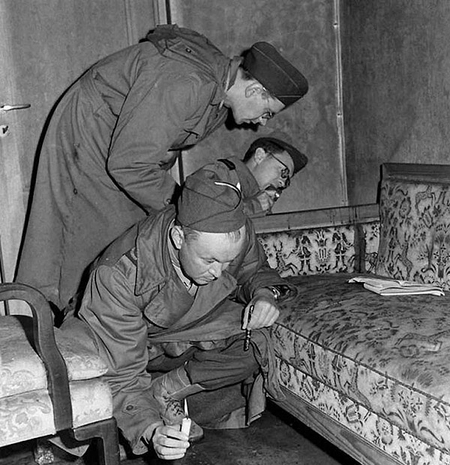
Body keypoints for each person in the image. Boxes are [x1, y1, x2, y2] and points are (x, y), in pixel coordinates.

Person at [16, 23, 308, 315]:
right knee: (85, 242)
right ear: (254, 90)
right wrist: (187, 206)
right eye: (267, 112)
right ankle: (68, 323)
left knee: (126, 236)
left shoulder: (220, 96)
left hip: (118, 146)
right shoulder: (187, 82)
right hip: (92, 137)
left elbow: (162, 142)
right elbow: (130, 164)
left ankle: (93, 318)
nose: (263, 122)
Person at [61, 162, 295, 460]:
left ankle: (164, 392)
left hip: (182, 331)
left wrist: (264, 294)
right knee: (92, 386)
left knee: (256, 342)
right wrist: (152, 430)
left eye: (227, 261)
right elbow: (122, 374)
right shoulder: (118, 274)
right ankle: (142, 416)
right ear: (178, 238)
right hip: (121, 342)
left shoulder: (231, 229)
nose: (219, 272)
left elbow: (254, 270)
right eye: (209, 261)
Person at [217, 135, 308, 217]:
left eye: (287, 181)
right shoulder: (220, 175)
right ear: (259, 156)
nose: (283, 183)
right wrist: (254, 206)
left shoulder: (256, 203)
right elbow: (213, 218)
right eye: (284, 172)